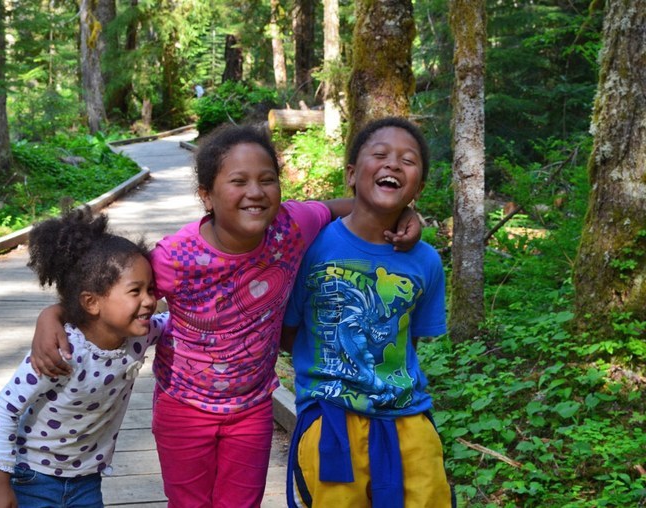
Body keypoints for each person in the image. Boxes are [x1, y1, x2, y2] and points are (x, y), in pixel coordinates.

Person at [28, 124, 422, 508]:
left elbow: (358, 207)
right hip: (183, 406)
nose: (255, 192)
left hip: (252, 407)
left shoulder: (293, 224)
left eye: (267, 179)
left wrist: (404, 215)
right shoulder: (174, 257)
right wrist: (55, 312)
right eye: (238, 181)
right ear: (207, 196)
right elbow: (116, 295)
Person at [281, 117, 453, 507]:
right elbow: (289, 333)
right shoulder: (311, 247)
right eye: (380, 155)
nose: (393, 164)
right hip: (331, 418)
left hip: (408, 418)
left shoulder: (425, 261)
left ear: (419, 187)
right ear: (352, 173)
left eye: (407, 160)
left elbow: (413, 337)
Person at [0, 207, 166, 508]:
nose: (149, 300)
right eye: (136, 291)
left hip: (87, 479)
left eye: (151, 290)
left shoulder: (140, 335)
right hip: (33, 476)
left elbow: (181, 319)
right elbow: (4, 409)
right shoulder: (63, 349)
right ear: (91, 303)